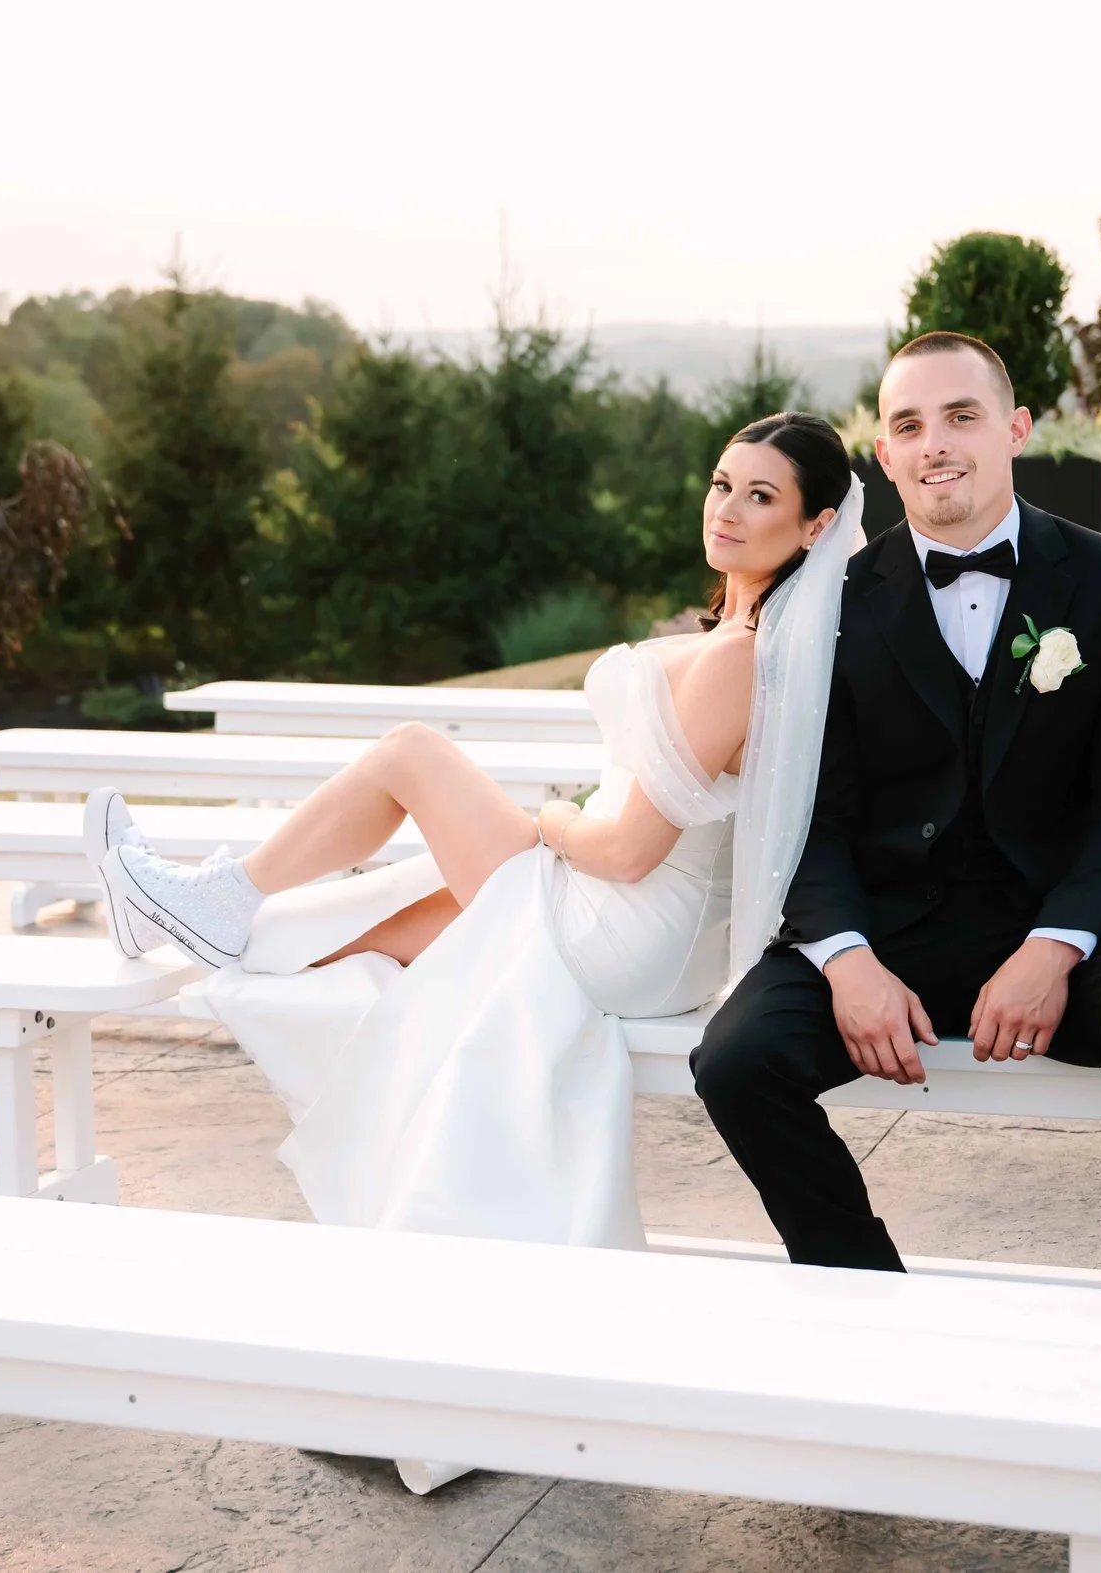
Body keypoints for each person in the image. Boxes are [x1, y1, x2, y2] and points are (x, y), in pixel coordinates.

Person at [84, 413, 863, 1258]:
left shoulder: (741, 656)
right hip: (644, 926)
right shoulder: (749, 640)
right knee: (338, 943)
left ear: (815, 525)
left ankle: (219, 896)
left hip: (621, 924)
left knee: (412, 754)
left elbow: (633, 850)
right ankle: (181, 911)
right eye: (722, 484)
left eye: (761, 496)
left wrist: (553, 822)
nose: (728, 509)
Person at [690, 332, 1101, 1304]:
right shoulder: (826, 603)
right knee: (735, 1058)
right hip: (885, 935)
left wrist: (1055, 946)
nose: (935, 444)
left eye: (960, 416)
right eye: (909, 425)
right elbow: (804, 812)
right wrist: (844, 957)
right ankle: (880, 1306)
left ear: (1013, 429)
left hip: (1057, 931)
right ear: (883, 453)